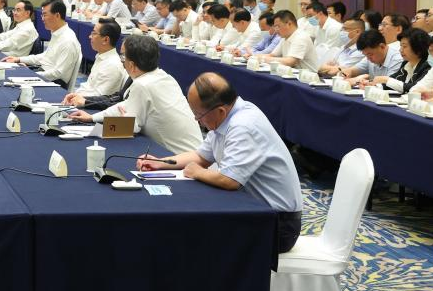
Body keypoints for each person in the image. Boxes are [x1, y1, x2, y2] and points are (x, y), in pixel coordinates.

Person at [137, 72, 303, 253]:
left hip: (277, 224)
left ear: (220, 111)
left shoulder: (243, 126)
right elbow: (201, 156)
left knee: (195, 235)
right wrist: (161, 162)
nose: (197, 120)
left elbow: (229, 180)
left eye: (198, 114)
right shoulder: (226, 117)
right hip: (253, 210)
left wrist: (197, 172)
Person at [68, 35, 203, 154]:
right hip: (195, 153)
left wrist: (100, 127)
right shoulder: (163, 77)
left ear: (132, 65)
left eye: (122, 56)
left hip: (178, 157)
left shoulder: (143, 85)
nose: (121, 60)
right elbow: (124, 106)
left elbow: (129, 127)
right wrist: (92, 118)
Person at [6, 0, 81, 88]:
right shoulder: (57, 33)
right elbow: (45, 57)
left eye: (45, 15)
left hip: (54, 84)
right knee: (10, 73)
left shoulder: (68, 40)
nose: (42, 19)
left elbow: (58, 73)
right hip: (44, 74)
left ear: (57, 15)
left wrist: (32, 75)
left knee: (10, 85)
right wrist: (19, 59)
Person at [70, 19, 127, 98]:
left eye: (94, 33)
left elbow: (99, 97)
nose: (90, 36)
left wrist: (76, 97)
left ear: (105, 40)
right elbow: (88, 87)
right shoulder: (101, 57)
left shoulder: (112, 65)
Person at [376, 27, 431, 94]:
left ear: (418, 47)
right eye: (400, 46)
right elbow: (394, 80)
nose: (400, 50)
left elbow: (414, 88)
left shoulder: (427, 66)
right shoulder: (406, 63)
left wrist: (387, 80)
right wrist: (375, 85)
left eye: (404, 46)